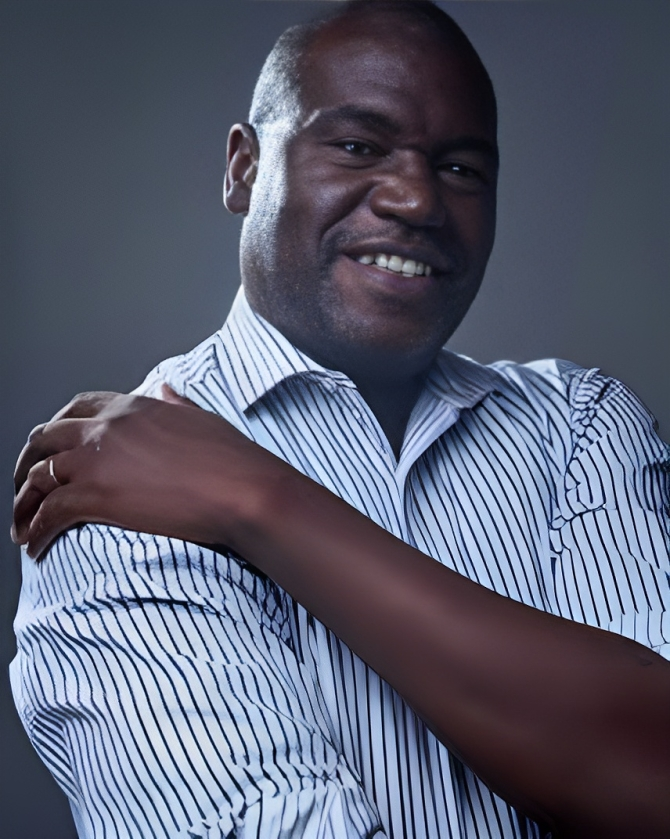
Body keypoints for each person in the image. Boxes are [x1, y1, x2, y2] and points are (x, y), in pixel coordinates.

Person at [10, 1, 670, 837]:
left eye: (461, 167)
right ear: (244, 168)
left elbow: (653, 778)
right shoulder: (119, 488)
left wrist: (257, 498)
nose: (417, 198)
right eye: (359, 146)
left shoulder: (581, 425)